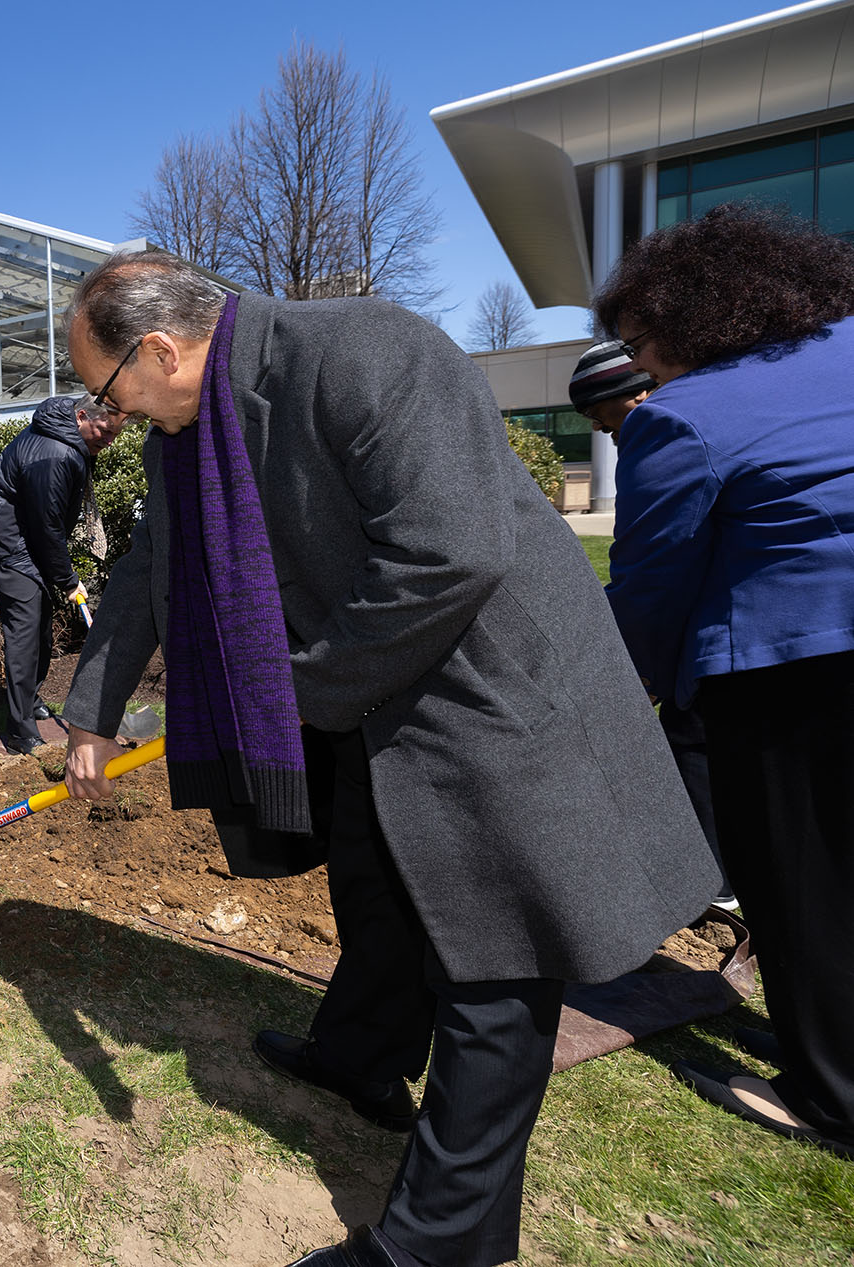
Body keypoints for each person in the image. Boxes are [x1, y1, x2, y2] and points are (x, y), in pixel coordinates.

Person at [60, 249, 717, 1267]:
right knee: (379, 874)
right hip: (375, 687)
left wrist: (297, 687)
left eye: (109, 387)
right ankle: (360, 1055)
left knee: (497, 961)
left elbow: (450, 550)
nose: (114, 411)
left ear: (159, 349)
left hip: (492, 689)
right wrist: (92, 709)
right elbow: (151, 564)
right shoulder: (188, 433)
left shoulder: (364, 350)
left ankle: (436, 1243)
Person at [597, 204, 854, 1162]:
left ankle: (831, 1094)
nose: (636, 365)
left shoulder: (687, 417)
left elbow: (651, 590)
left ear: (688, 319)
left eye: (636, 343)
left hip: (797, 669)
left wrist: (639, 704)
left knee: (800, 878)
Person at [569, 341, 735, 912]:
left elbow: (653, 566)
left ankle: (714, 891)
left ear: (635, 395)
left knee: (694, 741)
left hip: (733, 634)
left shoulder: (662, 425)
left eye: (603, 421)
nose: (611, 435)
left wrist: (637, 671)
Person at [0, 394, 125, 753]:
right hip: (8, 545)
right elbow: (46, 527)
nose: (108, 439)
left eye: (114, 434)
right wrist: (69, 581)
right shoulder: (55, 454)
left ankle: (31, 701)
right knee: (25, 634)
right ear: (82, 416)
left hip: (25, 540)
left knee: (40, 626)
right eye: (103, 430)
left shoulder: (65, 436)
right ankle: (21, 729)